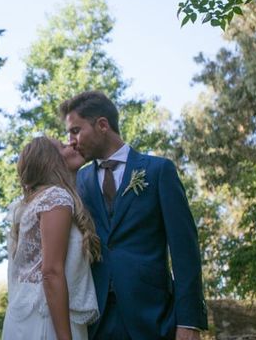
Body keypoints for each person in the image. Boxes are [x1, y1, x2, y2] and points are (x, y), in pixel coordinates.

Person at [60, 91, 208, 340]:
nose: (71, 140)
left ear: (102, 125)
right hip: (95, 320)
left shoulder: (158, 171)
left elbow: (185, 250)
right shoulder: (80, 180)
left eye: (76, 130)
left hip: (153, 316)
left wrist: (189, 321)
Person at [2, 136, 100, 340]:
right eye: (63, 146)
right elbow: (51, 271)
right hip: (50, 318)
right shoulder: (56, 198)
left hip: (28, 316)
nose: (72, 144)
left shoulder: (28, 205)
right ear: (50, 160)